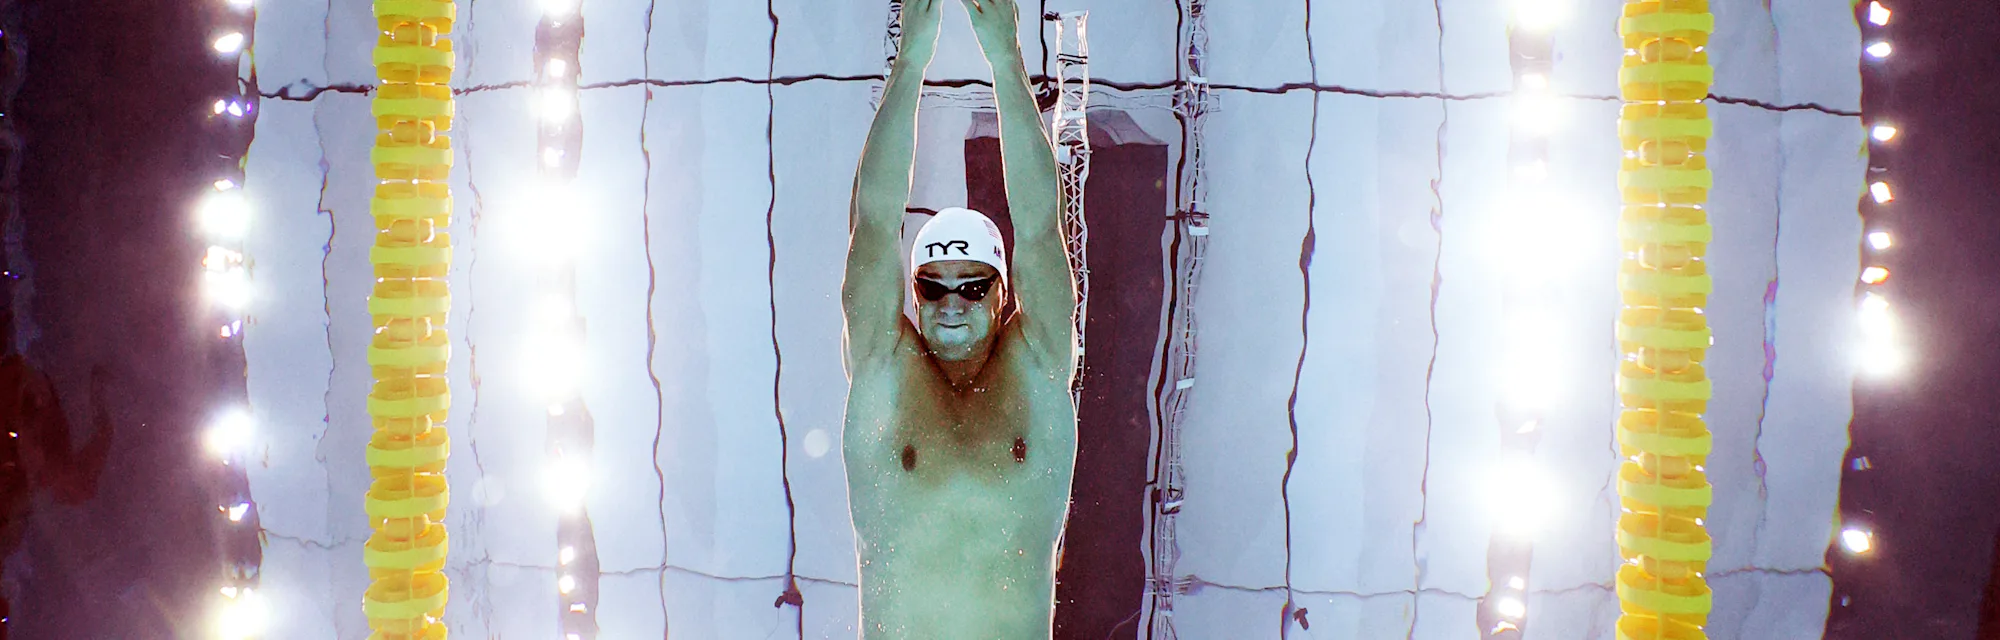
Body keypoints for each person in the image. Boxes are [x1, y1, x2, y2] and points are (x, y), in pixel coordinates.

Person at [840, 0, 1078, 636]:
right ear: (912, 294)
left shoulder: (1038, 366)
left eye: (973, 287)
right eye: (934, 286)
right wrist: (911, 61)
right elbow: (874, 222)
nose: (951, 302)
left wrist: (1006, 59)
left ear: (1005, 295)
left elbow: (1038, 226)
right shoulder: (882, 374)